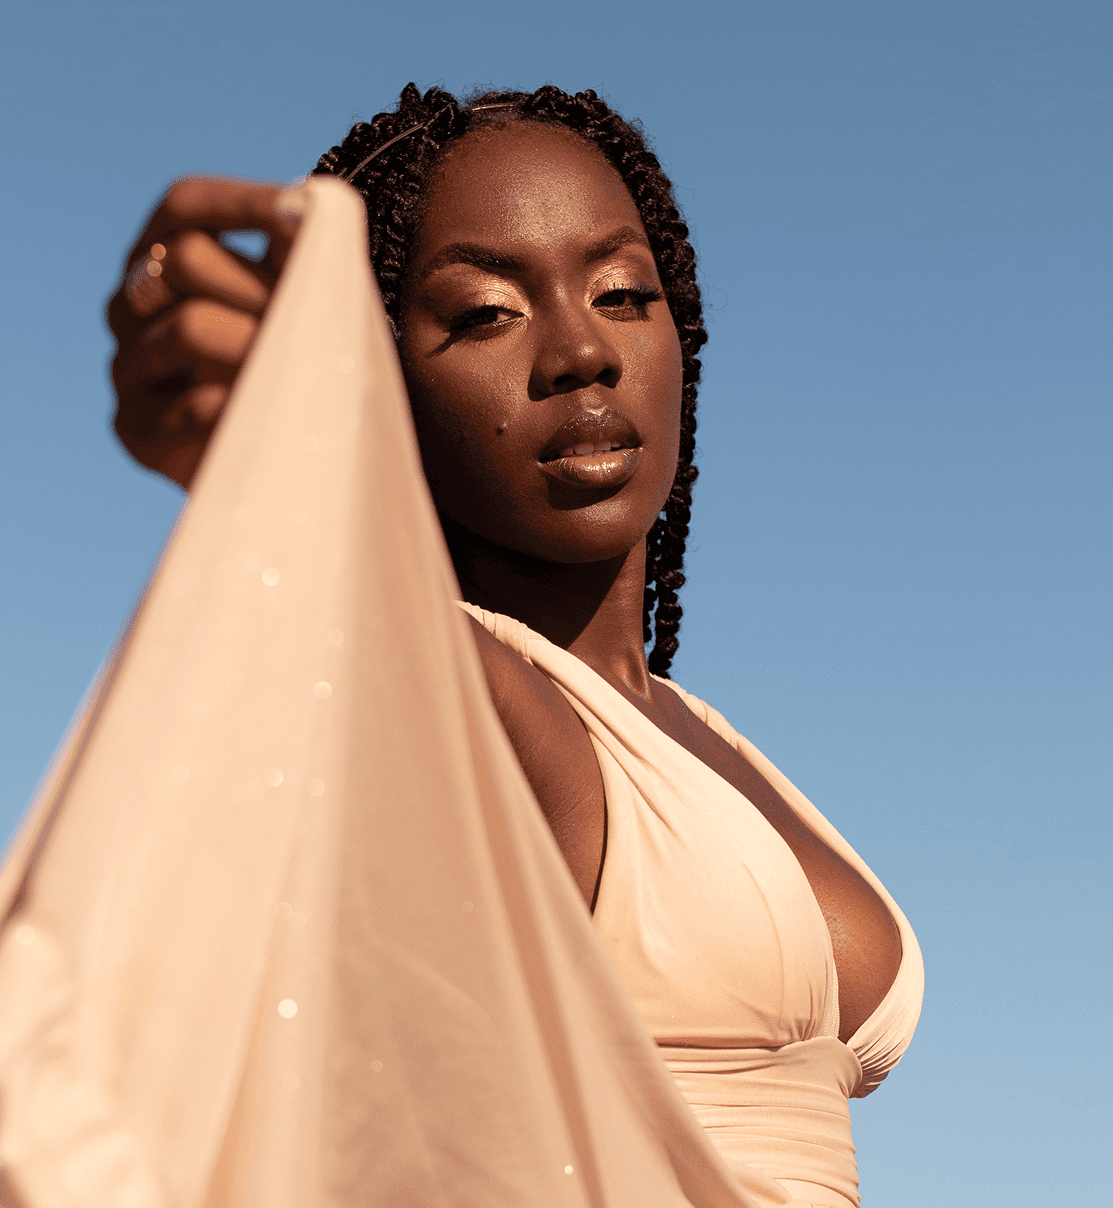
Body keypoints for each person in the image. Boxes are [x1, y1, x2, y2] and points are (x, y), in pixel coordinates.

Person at [102, 83, 922, 1207]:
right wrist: (268, 468)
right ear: (379, 377)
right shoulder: (464, 686)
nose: (581, 349)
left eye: (624, 293)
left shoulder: (690, 733)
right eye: (486, 311)